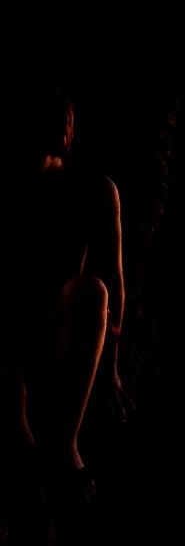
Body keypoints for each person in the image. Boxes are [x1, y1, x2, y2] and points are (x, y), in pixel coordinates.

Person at [4, 91, 124, 503]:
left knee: (92, 290)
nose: (64, 128)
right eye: (55, 120)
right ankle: (41, 490)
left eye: (69, 120)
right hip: (12, 327)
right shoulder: (9, 192)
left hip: (63, 323)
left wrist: (110, 365)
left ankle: (64, 448)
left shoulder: (94, 190)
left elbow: (114, 283)